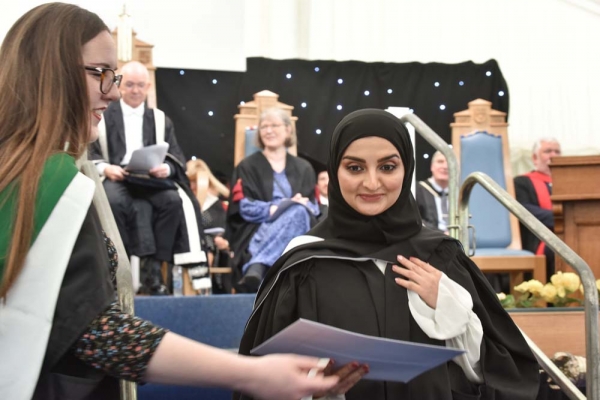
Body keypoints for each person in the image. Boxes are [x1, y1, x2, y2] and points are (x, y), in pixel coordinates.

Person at [0, 4, 341, 399]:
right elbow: (97, 333)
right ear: (51, 72)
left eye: (116, 77)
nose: (113, 93)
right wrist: (251, 373)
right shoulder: (51, 185)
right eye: (101, 74)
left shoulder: (22, 171)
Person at [236, 109, 540, 400]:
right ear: (335, 171)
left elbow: (498, 372)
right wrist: (309, 390)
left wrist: (448, 306)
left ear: (406, 170)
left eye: (388, 167)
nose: (372, 183)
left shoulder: (440, 257)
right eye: (355, 168)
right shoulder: (304, 263)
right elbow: (262, 380)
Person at [89, 60, 200, 295]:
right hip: (117, 176)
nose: (135, 90)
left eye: (141, 85)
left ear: (148, 87)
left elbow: (175, 155)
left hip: (150, 178)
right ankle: (118, 271)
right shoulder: (103, 115)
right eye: (130, 84)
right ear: (119, 85)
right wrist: (105, 168)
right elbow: (90, 150)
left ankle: (154, 272)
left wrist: (166, 168)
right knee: (113, 202)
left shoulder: (160, 119)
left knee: (172, 201)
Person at [227, 108, 320, 293]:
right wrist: (274, 208)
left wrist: (296, 205)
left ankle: (258, 264)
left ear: (288, 130)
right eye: (264, 127)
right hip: (258, 228)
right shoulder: (247, 166)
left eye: (274, 125)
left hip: (297, 227)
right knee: (297, 211)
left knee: (299, 212)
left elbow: (314, 208)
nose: (268, 131)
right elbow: (244, 207)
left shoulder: (304, 168)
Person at [514, 137, 562, 278]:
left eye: (557, 152)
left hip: (569, 234)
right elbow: (525, 211)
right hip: (538, 238)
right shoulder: (522, 182)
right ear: (535, 158)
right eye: (548, 151)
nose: (553, 155)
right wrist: (562, 218)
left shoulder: (571, 183)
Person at [187, 158, 232, 293]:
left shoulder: (217, 205)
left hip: (215, 250)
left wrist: (224, 243)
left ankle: (205, 288)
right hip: (189, 246)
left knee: (207, 242)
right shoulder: (183, 201)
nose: (192, 186)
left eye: (195, 182)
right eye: (190, 182)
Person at [416, 151, 449, 233]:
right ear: (432, 166)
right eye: (440, 162)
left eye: (449, 163)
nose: (445, 166)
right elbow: (415, 220)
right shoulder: (418, 190)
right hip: (429, 237)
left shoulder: (458, 193)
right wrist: (442, 234)